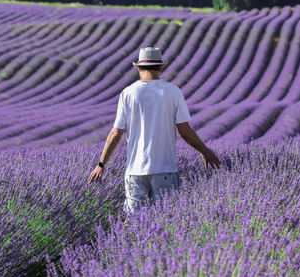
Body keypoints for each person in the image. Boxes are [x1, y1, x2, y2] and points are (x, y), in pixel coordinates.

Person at [88, 47, 221, 214]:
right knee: (166, 219)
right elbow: (185, 131)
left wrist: (101, 165)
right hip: (164, 168)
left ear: (139, 68)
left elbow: (116, 133)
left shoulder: (127, 93)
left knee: (133, 220)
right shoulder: (173, 92)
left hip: (135, 170)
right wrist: (204, 151)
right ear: (160, 68)